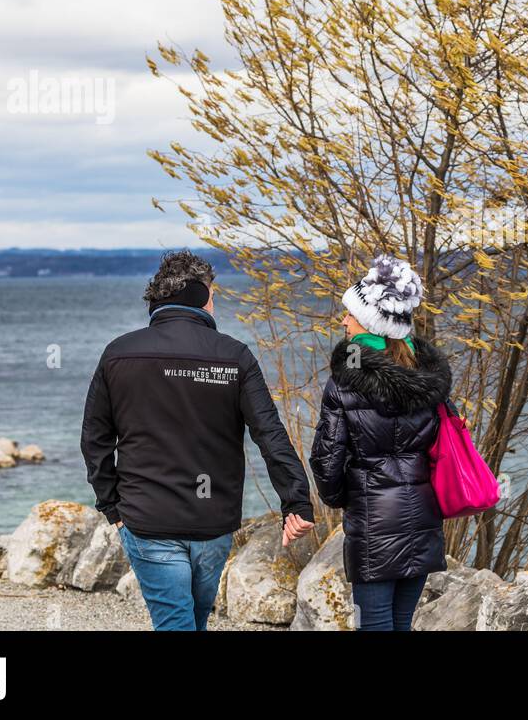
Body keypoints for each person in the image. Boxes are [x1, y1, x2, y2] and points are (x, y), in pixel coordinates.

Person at [80, 250, 314, 630]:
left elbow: (94, 440)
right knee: (188, 622)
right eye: (212, 294)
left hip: (147, 517)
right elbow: (269, 434)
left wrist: (113, 507)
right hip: (211, 520)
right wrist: (296, 500)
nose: (214, 303)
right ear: (198, 295)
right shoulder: (234, 356)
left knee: (182, 623)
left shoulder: (119, 353)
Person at [310, 255, 451, 631]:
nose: (343, 321)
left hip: (373, 519)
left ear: (370, 323)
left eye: (350, 315)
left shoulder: (346, 380)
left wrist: (343, 497)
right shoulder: (427, 376)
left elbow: (326, 460)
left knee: (373, 624)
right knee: (401, 622)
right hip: (423, 517)